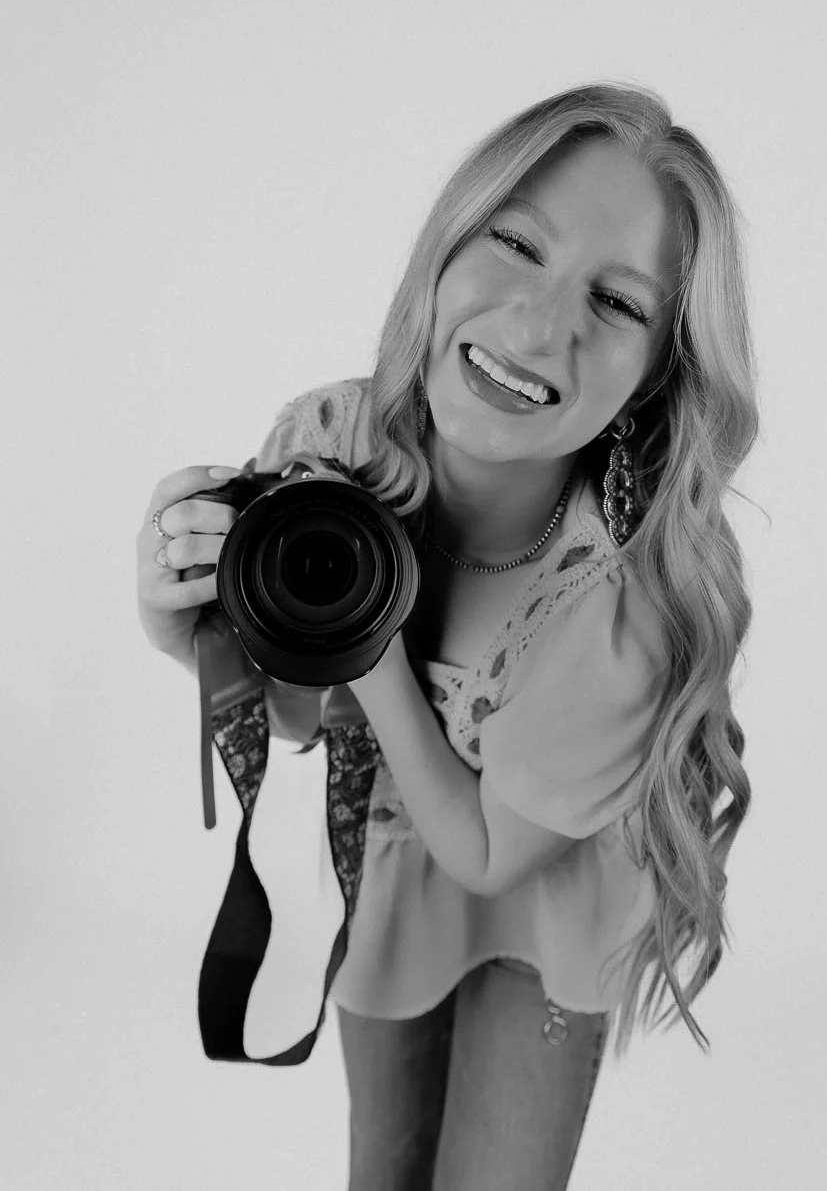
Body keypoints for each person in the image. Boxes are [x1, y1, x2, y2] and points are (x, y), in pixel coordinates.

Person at [136, 82, 758, 1191]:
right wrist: (182, 617)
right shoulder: (328, 447)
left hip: (542, 910)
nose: (537, 323)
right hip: (389, 876)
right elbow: (290, 713)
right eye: (516, 243)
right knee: (386, 1168)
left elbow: (485, 848)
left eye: (615, 305)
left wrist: (371, 653)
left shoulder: (625, 602)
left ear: (652, 381)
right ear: (445, 243)